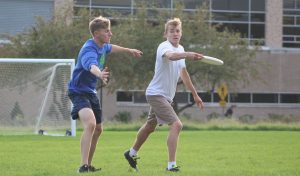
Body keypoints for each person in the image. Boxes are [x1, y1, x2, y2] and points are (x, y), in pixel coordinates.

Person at [124, 18, 204, 172]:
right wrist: (188, 54)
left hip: (165, 97)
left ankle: (131, 152)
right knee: (177, 124)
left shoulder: (180, 48)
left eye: (178, 31)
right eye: (172, 31)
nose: (175, 33)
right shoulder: (164, 46)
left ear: (181, 33)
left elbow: (184, 73)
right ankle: (171, 165)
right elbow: (171, 56)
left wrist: (195, 94)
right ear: (165, 34)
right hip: (156, 94)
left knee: (150, 126)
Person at [68, 16, 143, 173]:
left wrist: (129, 50)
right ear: (96, 33)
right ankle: (83, 166)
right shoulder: (89, 49)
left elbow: (112, 47)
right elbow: (91, 65)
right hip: (78, 92)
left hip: (90, 92)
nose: (110, 34)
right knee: (90, 124)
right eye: (107, 31)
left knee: (98, 129)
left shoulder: (102, 45)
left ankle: (88, 164)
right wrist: (99, 74)